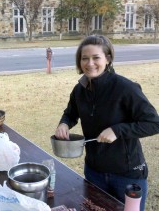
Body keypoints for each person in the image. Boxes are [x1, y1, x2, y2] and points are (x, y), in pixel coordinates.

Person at [54, 35, 159, 211]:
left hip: (127, 174)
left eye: (96, 58)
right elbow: (70, 113)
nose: (90, 63)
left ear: (108, 59)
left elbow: (154, 123)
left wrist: (118, 130)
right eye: (84, 58)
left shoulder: (125, 88)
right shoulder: (80, 89)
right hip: (94, 171)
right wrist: (64, 123)